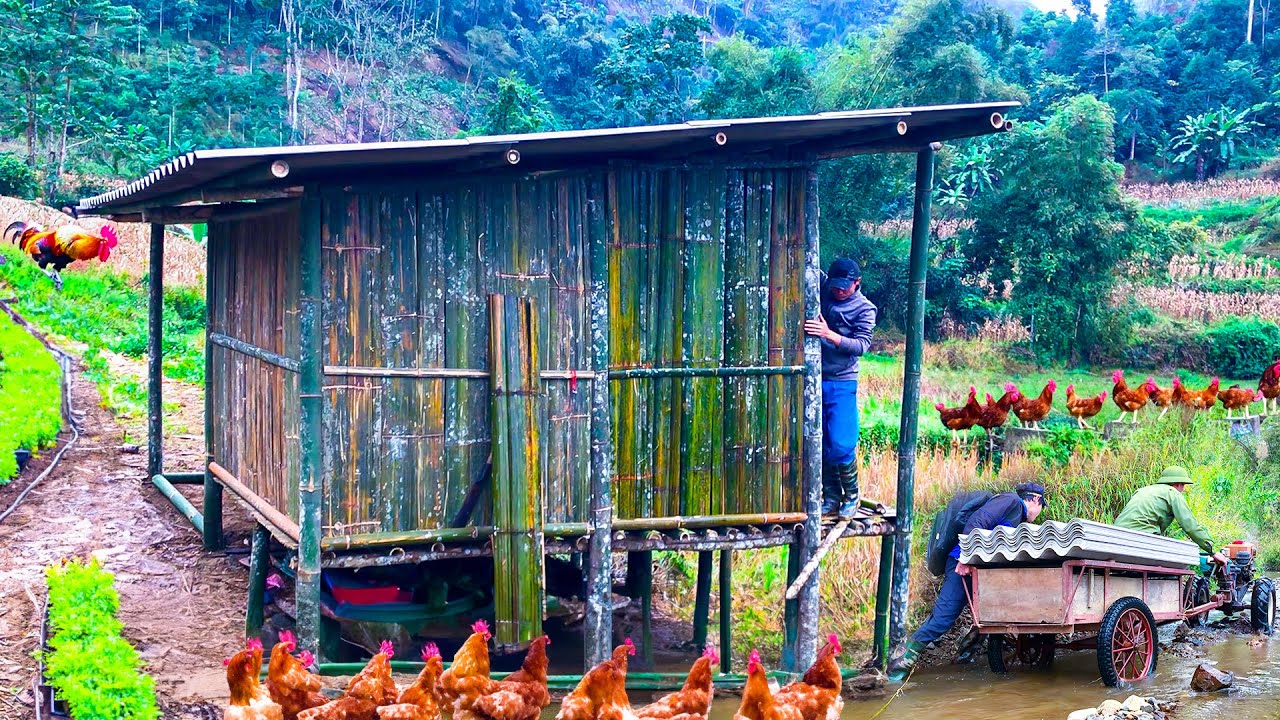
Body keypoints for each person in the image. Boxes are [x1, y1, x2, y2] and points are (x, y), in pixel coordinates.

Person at [889, 482, 1048, 678]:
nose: (1039, 512)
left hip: (977, 569)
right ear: (1035, 500)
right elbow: (977, 521)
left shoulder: (1016, 516)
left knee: (990, 615)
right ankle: (898, 666)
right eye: (1042, 506)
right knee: (943, 618)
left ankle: (963, 657)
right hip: (961, 564)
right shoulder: (1012, 501)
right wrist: (965, 558)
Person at [803, 258, 876, 519]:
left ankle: (852, 495)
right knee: (818, 440)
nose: (838, 291)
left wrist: (828, 334)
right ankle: (831, 496)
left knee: (841, 442)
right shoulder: (823, 287)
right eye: (835, 285)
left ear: (857, 283)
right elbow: (808, 262)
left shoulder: (865, 309)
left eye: (845, 286)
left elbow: (861, 345)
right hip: (813, 376)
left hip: (842, 380)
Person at [1114, 466, 1228, 566]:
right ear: (1179, 483)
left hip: (1117, 538)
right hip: (1142, 540)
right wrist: (1213, 551)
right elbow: (1190, 526)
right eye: (1183, 485)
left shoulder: (1142, 490)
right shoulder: (1172, 494)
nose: (1183, 489)